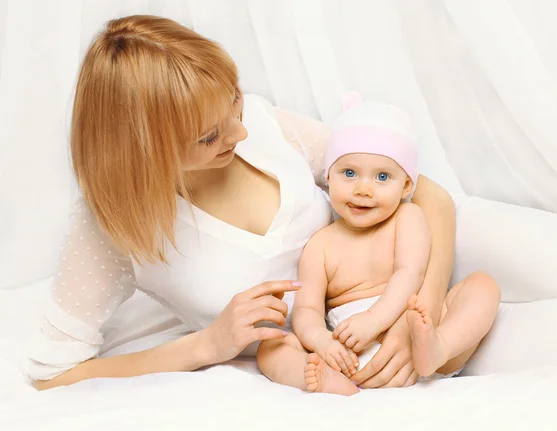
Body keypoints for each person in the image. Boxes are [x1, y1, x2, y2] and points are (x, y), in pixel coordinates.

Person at [27, 15, 468, 392]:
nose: (239, 134)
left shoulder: (264, 123)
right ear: (143, 152)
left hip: (379, 304)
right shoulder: (112, 224)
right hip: (301, 348)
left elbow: (428, 196)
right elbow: (56, 375)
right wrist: (207, 345)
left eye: (233, 100)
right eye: (208, 136)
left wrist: (420, 310)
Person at [256, 96, 501, 395]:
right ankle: (326, 381)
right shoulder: (320, 244)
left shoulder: (408, 217)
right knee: (272, 344)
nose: (363, 189)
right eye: (349, 173)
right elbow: (307, 308)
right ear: (328, 177)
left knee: (483, 286)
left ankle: (441, 347)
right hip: (348, 352)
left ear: (407, 186)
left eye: (382, 177)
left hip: (416, 334)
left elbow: (410, 274)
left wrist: (374, 321)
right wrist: (321, 340)